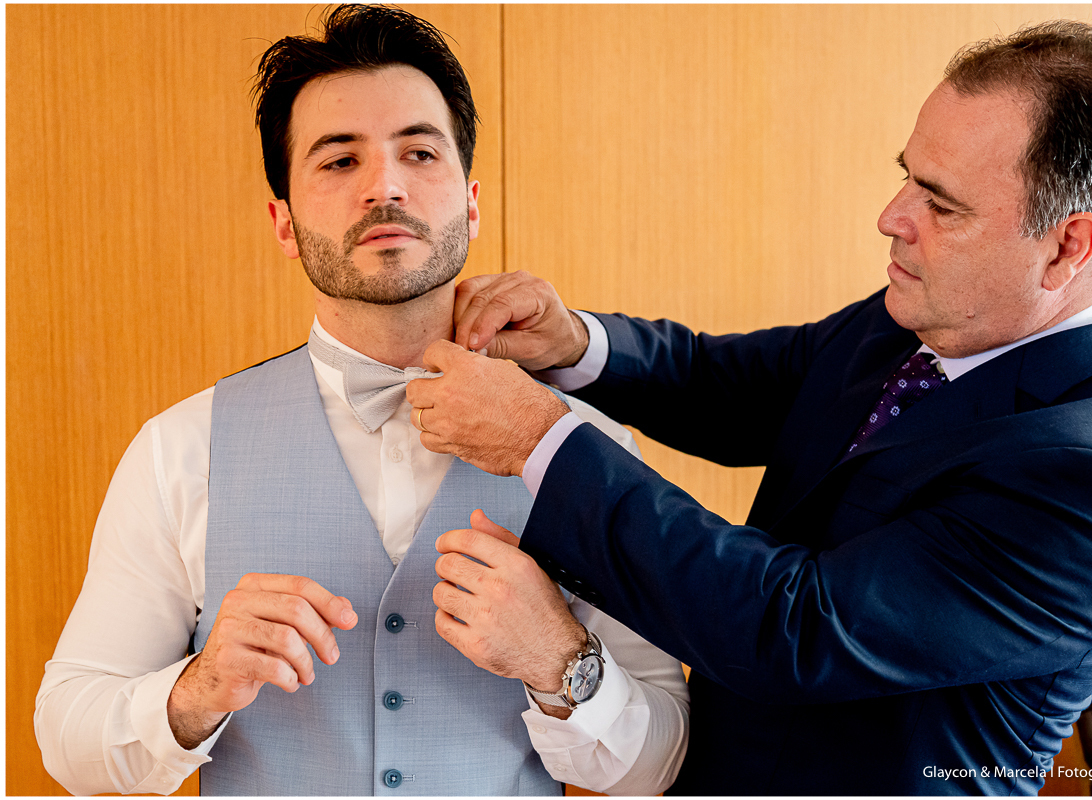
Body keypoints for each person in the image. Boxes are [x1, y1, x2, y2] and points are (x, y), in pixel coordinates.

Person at [407, 20, 1092, 795]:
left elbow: (796, 628)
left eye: (941, 206)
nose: (892, 217)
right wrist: (572, 342)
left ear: (1069, 246)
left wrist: (538, 439)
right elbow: (734, 384)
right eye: (908, 175)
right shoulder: (932, 306)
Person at [33, 5, 688, 796]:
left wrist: (560, 661)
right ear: (283, 222)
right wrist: (197, 689)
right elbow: (68, 743)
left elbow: (659, 763)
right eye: (339, 162)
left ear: (471, 203)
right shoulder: (181, 449)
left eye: (418, 151)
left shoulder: (588, 447)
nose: (384, 185)